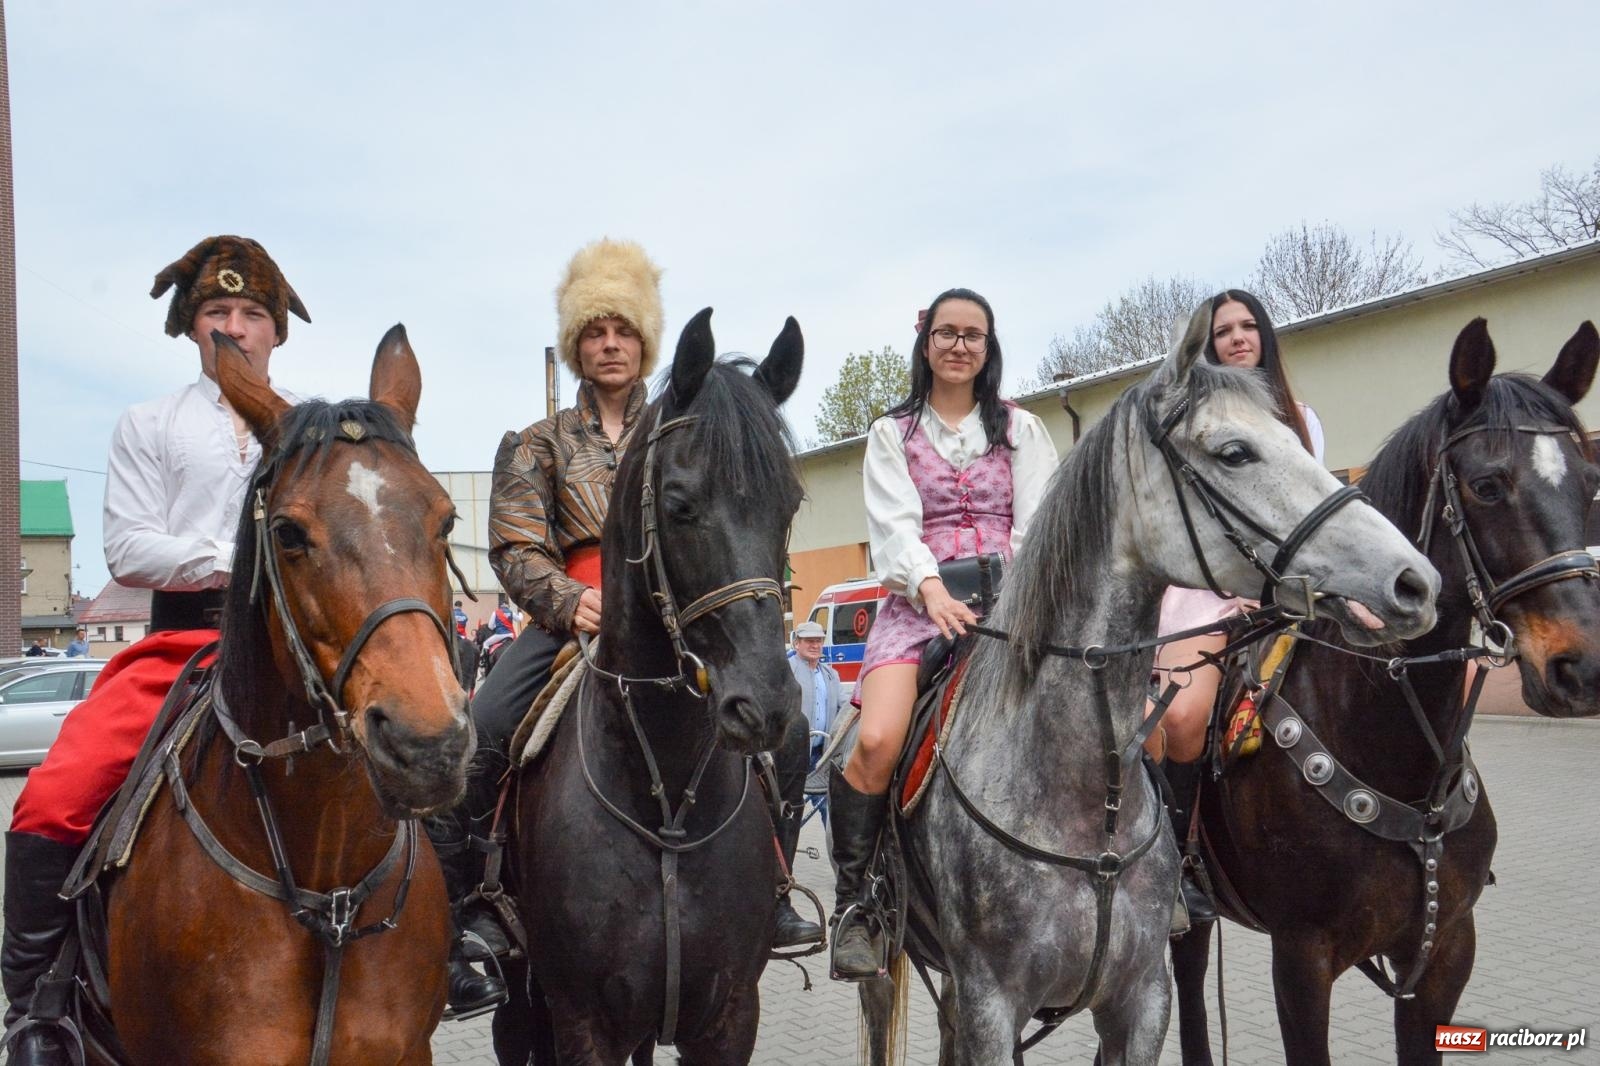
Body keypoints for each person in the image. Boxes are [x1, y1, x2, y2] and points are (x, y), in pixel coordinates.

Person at [2, 236, 308, 1065]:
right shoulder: (148, 424)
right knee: (54, 795)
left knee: (415, 757)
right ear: (189, 327)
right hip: (187, 638)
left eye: (252, 315)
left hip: (299, 647)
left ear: (276, 332)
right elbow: (129, 548)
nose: (234, 329)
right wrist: (230, 557)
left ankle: (455, 941)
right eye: (217, 312)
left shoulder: (315, 423)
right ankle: (38, 1009)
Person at [422, 238, 665, 1013]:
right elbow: (515, 548)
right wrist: (569, 601)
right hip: (570, 620)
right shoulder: (538, 442)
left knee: (777, 730)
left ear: (645, 338)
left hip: (673, 618)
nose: (610, 344)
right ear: (576, 345)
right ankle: (469, 917)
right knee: (482, 729)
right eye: (595, 332)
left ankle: (777, 888)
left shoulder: (681, 434)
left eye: (623, 330)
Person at [828, 288, 1058, 981]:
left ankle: (1147, 871)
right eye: (948, 332)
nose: (960, 345)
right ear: (926, 342)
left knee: (1105, 709)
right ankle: (858, 905)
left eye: (974, 336)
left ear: (989, 349)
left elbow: (1040, 523)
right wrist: (932, 591)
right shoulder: (890, 433)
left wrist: (1016, 602)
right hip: (915, 605)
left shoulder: (1021, 428)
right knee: (875, 740)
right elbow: (894, 529)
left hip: (1016, 605)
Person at [1145, 288, 1324, 930]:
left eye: (1250, 326)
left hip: (1288, 592)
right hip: (1208, 593)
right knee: (1183, 716)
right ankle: (1178, 865)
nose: (1239, 337)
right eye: (1225, 330)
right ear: (1210, 346)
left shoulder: (1300, 419)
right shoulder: (1197, 423)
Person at [765, 621, 844, 944]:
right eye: (809, 641)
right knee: (785, 814)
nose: (815, 645)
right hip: (787, 754)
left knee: (833, 816)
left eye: (819, 640)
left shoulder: (831, 675)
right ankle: (781, 879)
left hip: (820, 755)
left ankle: (845, 878)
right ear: (796, 642)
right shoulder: (787, 669)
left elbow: (838, 709)